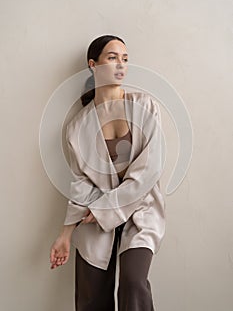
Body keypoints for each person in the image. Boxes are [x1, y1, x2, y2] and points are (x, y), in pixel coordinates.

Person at [50, 35, 166, 311]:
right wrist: (65, 235)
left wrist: (106, 208)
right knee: (91, 295)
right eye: (112, 57)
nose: (121, 65)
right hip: (93, 217)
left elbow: (149, 171)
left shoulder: (146, 106)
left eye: (125, 59)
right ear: (93, 65)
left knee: (133, 283)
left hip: (140, 210)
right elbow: (80, 183)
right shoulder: (77, 127)